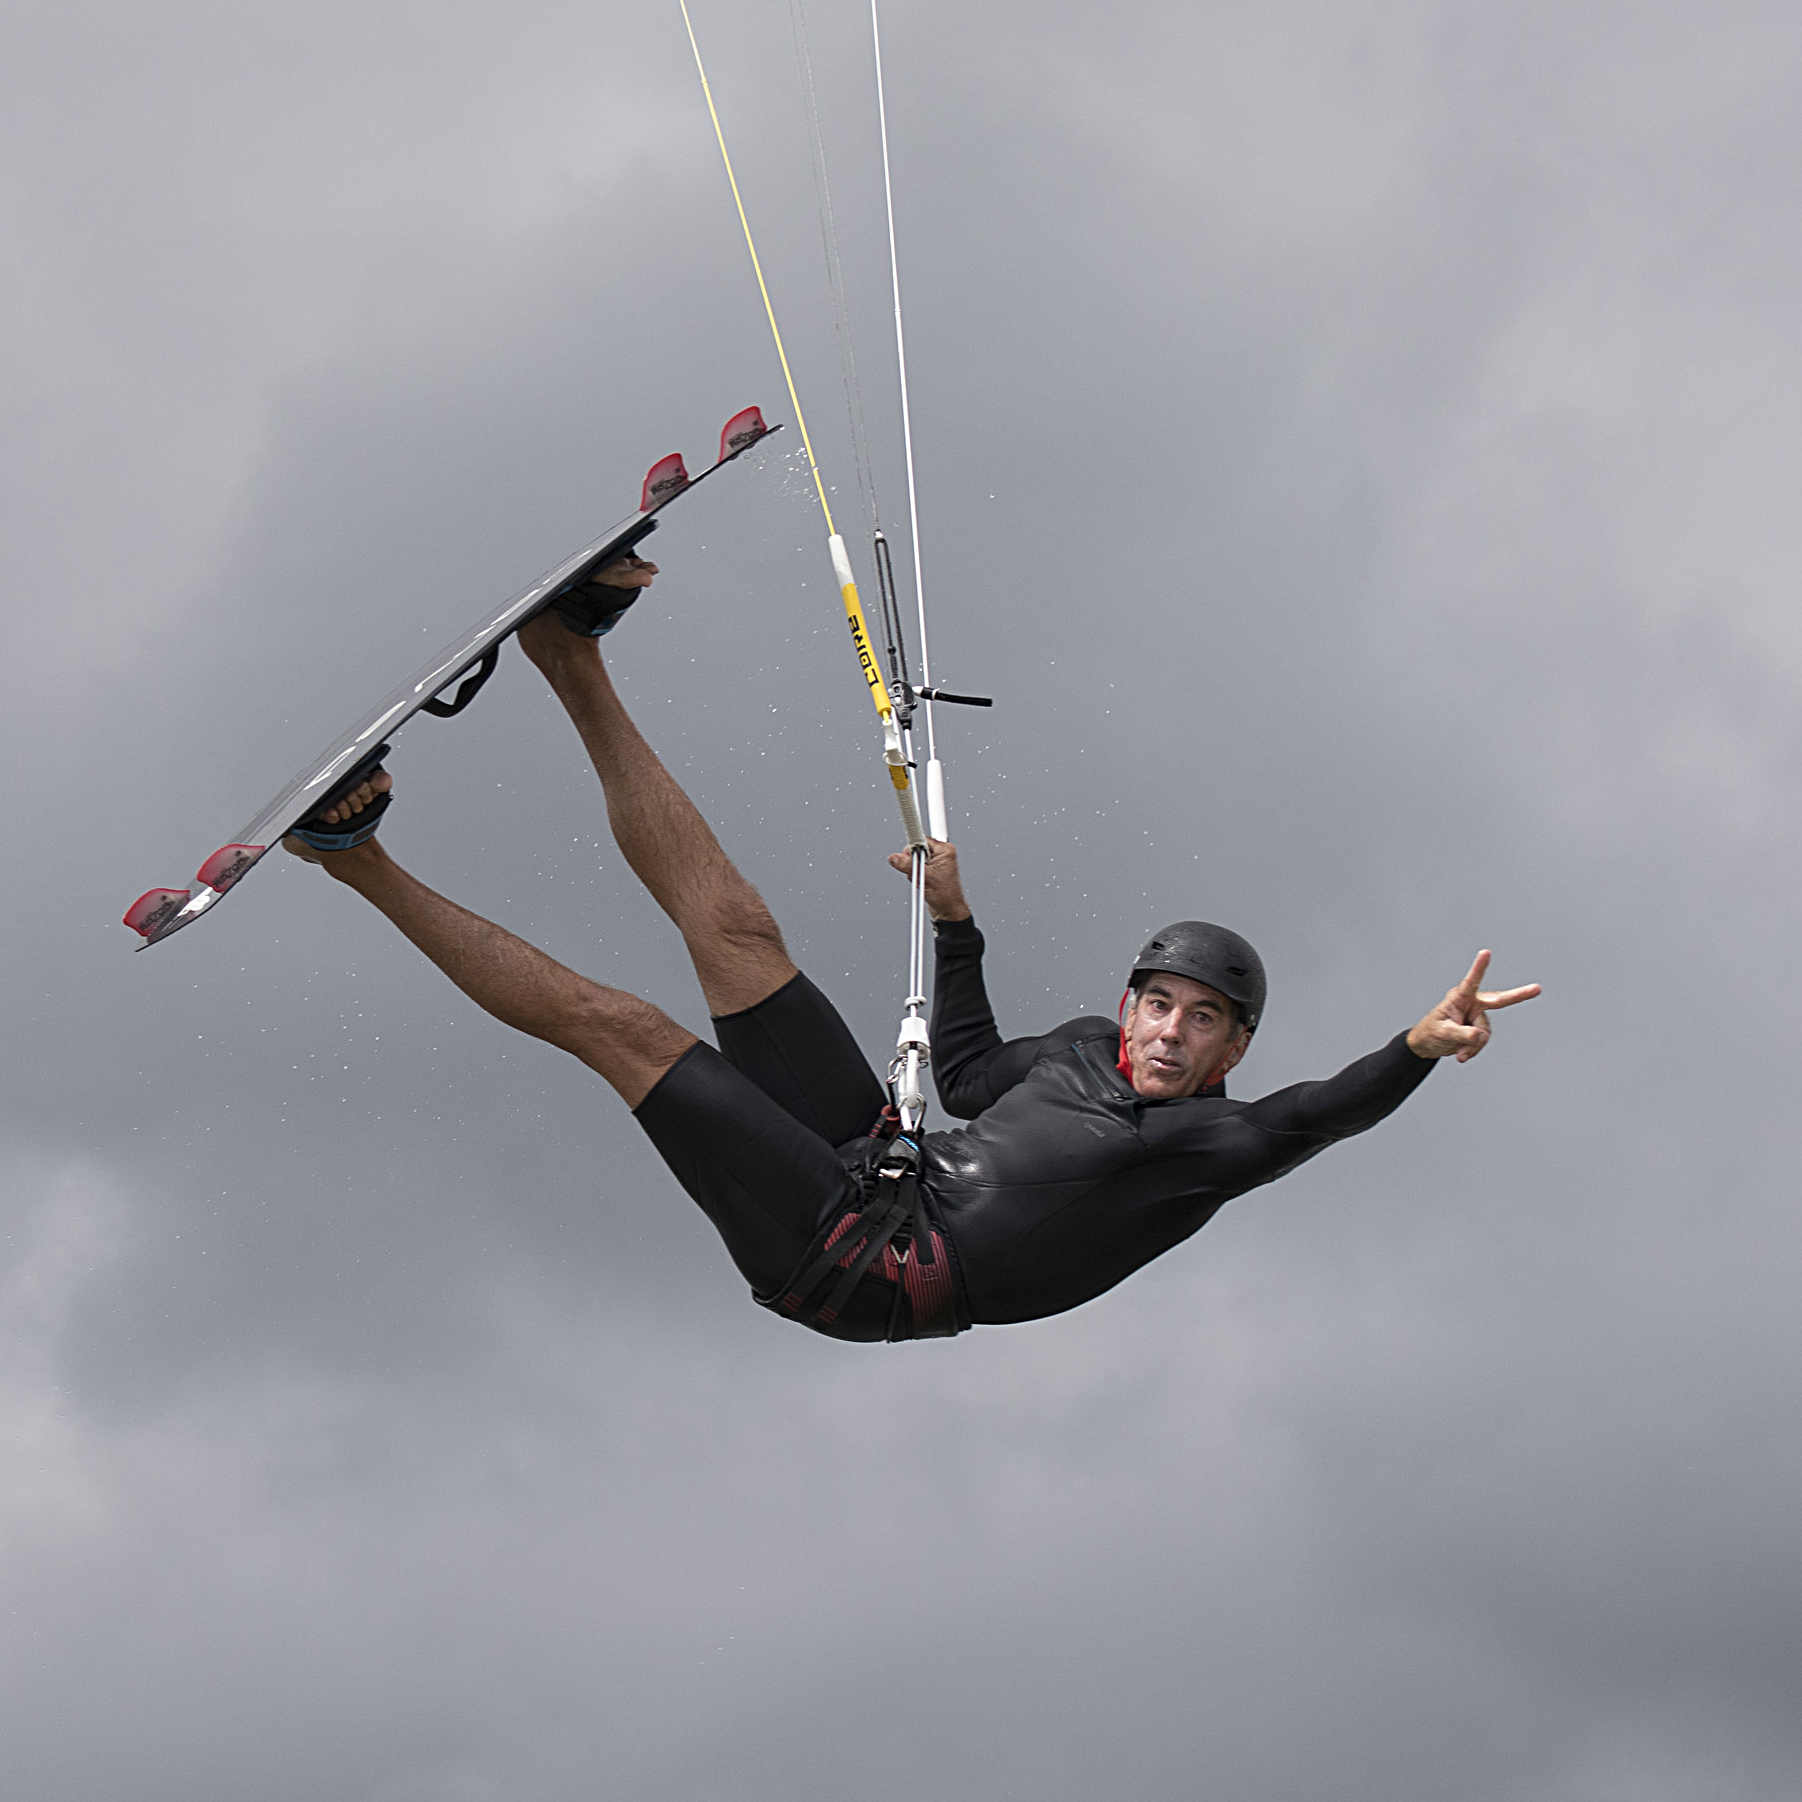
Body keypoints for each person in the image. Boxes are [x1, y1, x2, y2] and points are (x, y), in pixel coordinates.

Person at [286, 558, 1540, 1343]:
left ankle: (356, 856)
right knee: (738, 931)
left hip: (860, 1262)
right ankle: (573, 657)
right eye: (1158, 1002)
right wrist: (955, 924)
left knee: (627, 1029)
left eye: (1200, 1019)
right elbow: (973, 1076)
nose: (1167, 1029)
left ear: (1233, 1049)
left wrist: (1419, 1047)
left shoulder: (1204, 1145)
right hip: (881, 1163)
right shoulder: (1086, 1052)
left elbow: (1320, 1115)